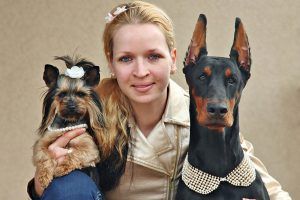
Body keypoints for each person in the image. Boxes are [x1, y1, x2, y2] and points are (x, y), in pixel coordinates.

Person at [28, 1, 291, 199]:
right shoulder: (89, 112)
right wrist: (44, 180)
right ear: (111, 63)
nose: (141, 72)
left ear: (175, 59)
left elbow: (267, 188)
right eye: (126, 58)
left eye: (153, 56)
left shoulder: (202, 117)